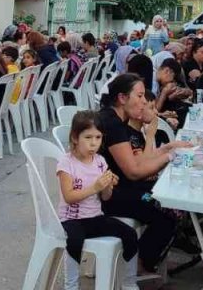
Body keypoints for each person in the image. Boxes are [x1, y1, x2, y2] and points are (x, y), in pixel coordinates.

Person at [97, 74, 191, 275]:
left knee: (171, 198)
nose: (143, 102)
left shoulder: (116, 120)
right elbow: (134, 172)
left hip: (121, 188)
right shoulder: (112, 124)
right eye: (139, 96)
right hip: (108, 195)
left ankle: (145, 258)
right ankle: (141, 264)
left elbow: (138, 162)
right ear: (122, 98)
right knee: (171, 209)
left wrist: (169, 148)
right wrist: (170, 156)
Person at [57, 110, 138, 289]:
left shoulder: (100, 161)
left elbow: (105, 197)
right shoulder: (66, 163)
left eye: (98, 137)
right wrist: (95, 187)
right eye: (88, 137)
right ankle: (71, 285)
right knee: (74, 241)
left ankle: (129, 282)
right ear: (75, 138)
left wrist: (107, 186)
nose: (93, 143)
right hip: (72, 219)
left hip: (95, 217)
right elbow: (69, 197)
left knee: (130, 234)